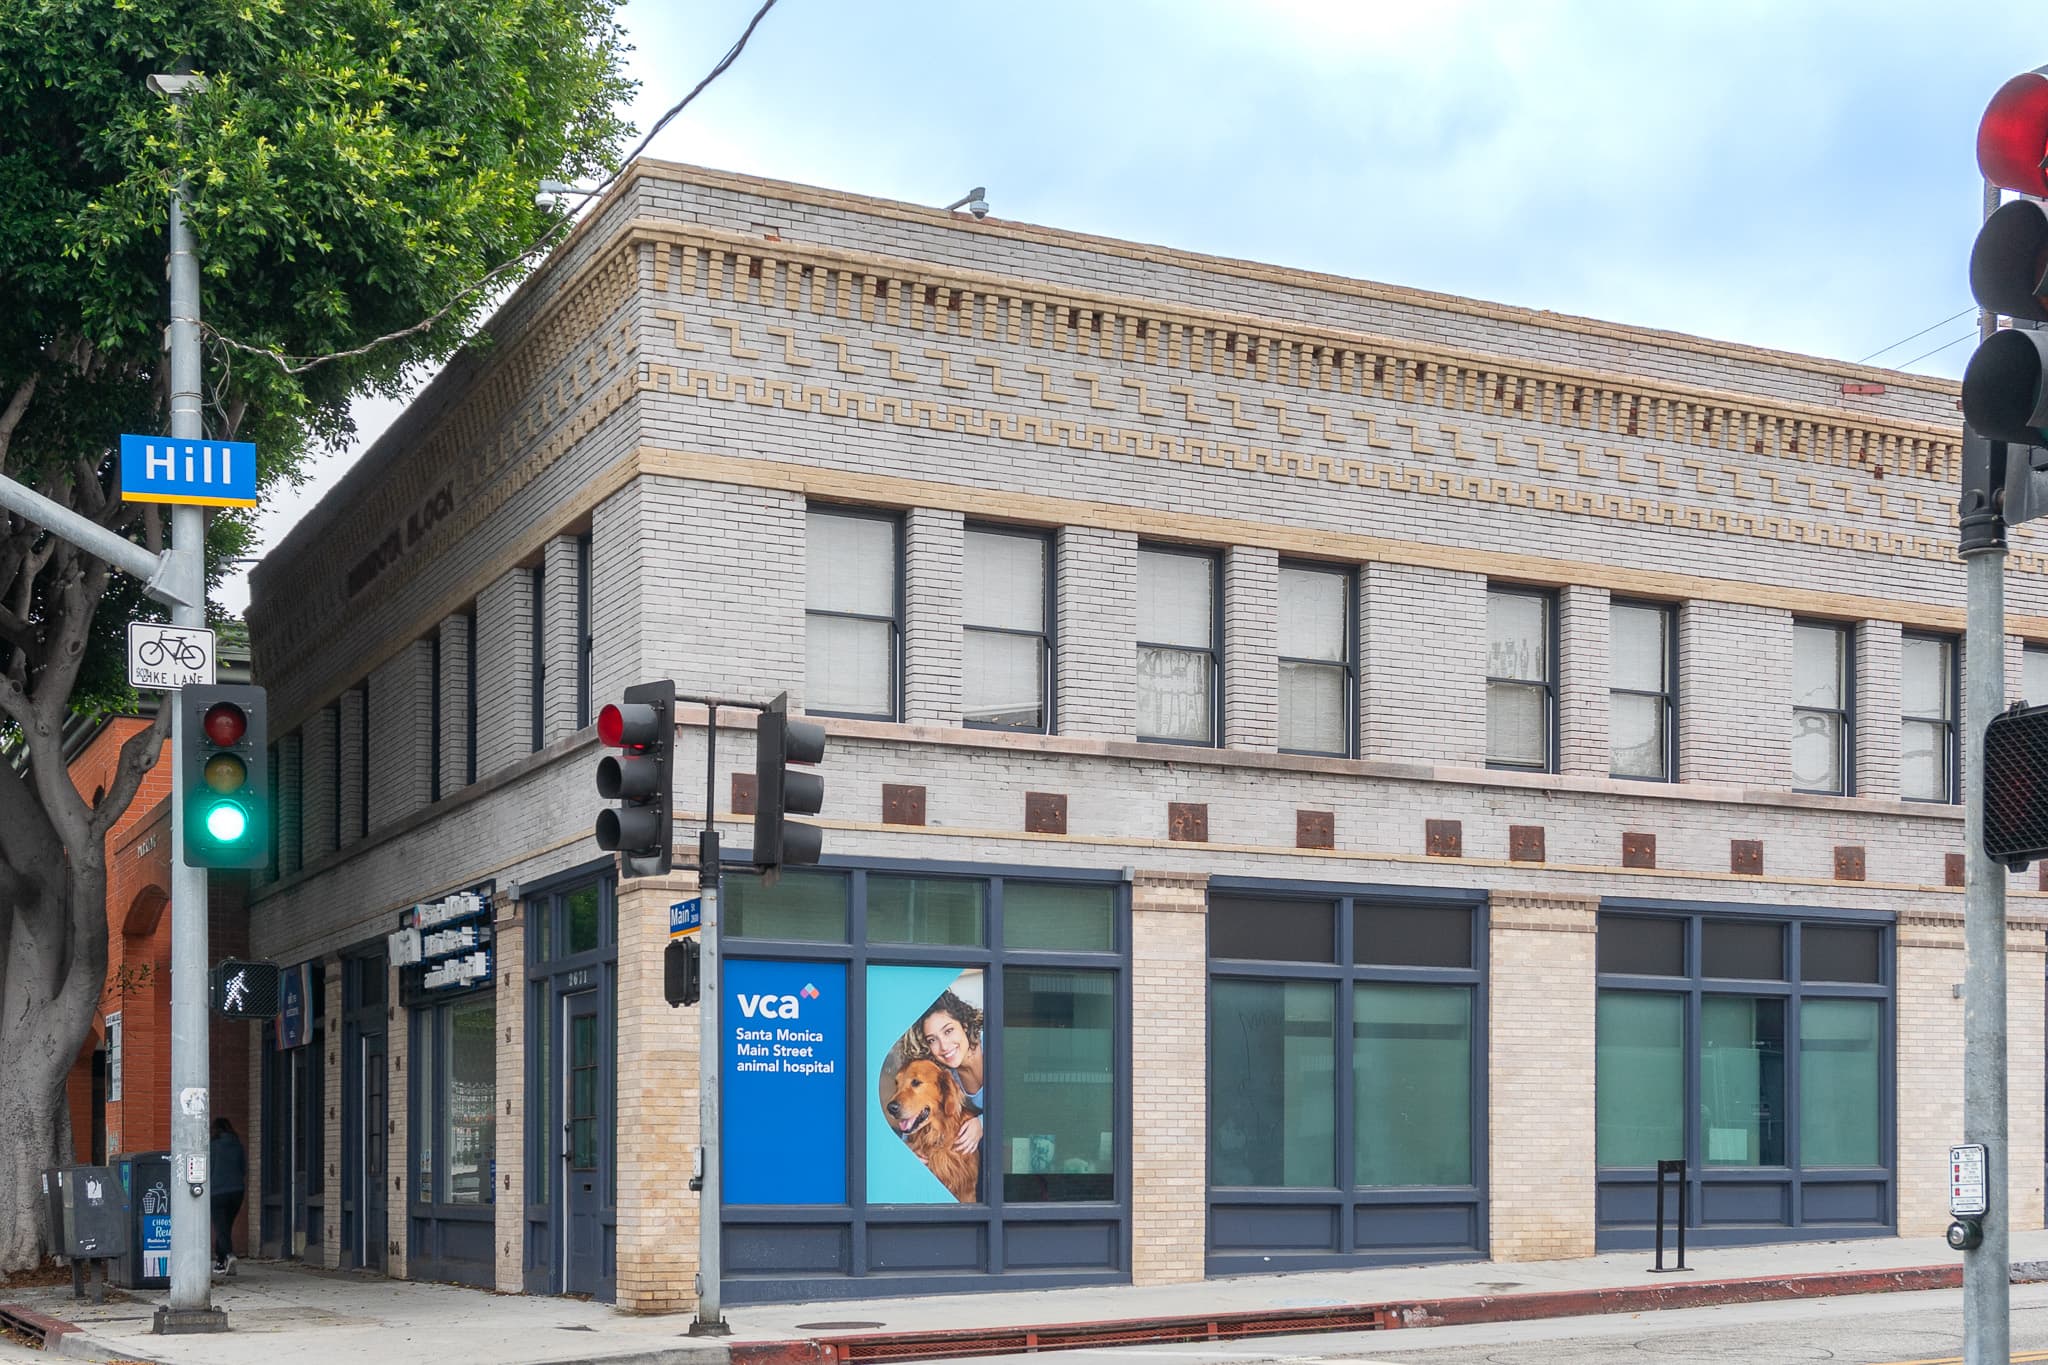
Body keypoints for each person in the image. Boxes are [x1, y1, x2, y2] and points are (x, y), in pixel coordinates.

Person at [918, 991, 985, 1155]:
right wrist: (910, 1151)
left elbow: (1023, 1102)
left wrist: (983, 1123)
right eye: (932, 1040)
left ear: (964, 1025)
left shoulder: (994, 1045)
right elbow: (920, 1107)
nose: (944, 1046)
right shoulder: (945, 1074)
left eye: (948, 1031)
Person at [210, 1117, 245, 1275]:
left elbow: (207, 1168)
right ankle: (219, 1262)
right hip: (237, 1191)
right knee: (225, 1227)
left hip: (217, 1191)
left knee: (221, 1227)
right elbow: (243, 1168)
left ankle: (229, 1255)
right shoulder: (237, 1145)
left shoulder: (213, 1146)